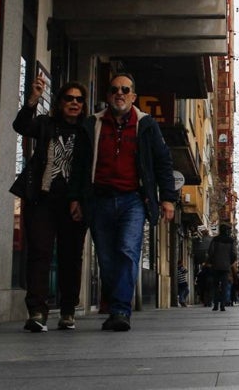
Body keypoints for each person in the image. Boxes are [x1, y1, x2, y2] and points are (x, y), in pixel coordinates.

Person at [68, 72, 178, 332]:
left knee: (128, 252)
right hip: (99, 199)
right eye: (115, 89)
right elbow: (79, 165)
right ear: (108, 96)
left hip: (133, 200)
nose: (120, 93)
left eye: (125, 89)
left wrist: (168, 199)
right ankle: (114, 304)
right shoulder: (91, 125)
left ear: (133, 96)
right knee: (106, 259)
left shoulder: (147, 125)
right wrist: (75, 198)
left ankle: (120, 311)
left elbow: (163, 163)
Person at [13, 73, 89, 332]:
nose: (74, 103)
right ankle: (36, 311)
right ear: (60, 102)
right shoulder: (45, 124)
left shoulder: (87, 130)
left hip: (74, 203)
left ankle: (68, 310)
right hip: (42, 200)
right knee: (39, 254)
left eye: (79, 99)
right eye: (69, 98)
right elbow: (21, 126)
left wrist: (81, 199)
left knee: (71, 257)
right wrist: (32, 100)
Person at [208, 222, 237, 311]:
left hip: (216, 266)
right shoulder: (231, 241)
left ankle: (216, 305)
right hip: (225, 267)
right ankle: (223, 306)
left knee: (216, 286)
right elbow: (234, 254)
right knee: (224, 286)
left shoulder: (215, 239)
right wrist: (229, 262)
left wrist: (213, 261)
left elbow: (210, 252)